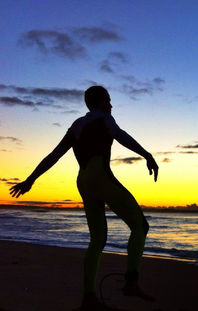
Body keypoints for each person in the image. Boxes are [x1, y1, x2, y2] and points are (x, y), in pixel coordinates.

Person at [9, 86, 159, 310]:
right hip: (100, 175)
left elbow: (54, 155)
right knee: (140, 226)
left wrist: (30, 180)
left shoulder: (76, 125)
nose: (111, 105)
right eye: (108, 100)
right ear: (100, 102)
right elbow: (121, 136)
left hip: (84, 181)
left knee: (97, 240)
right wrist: (147, 154)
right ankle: (131, 282)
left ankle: (88, 298)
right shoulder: (104, 118)